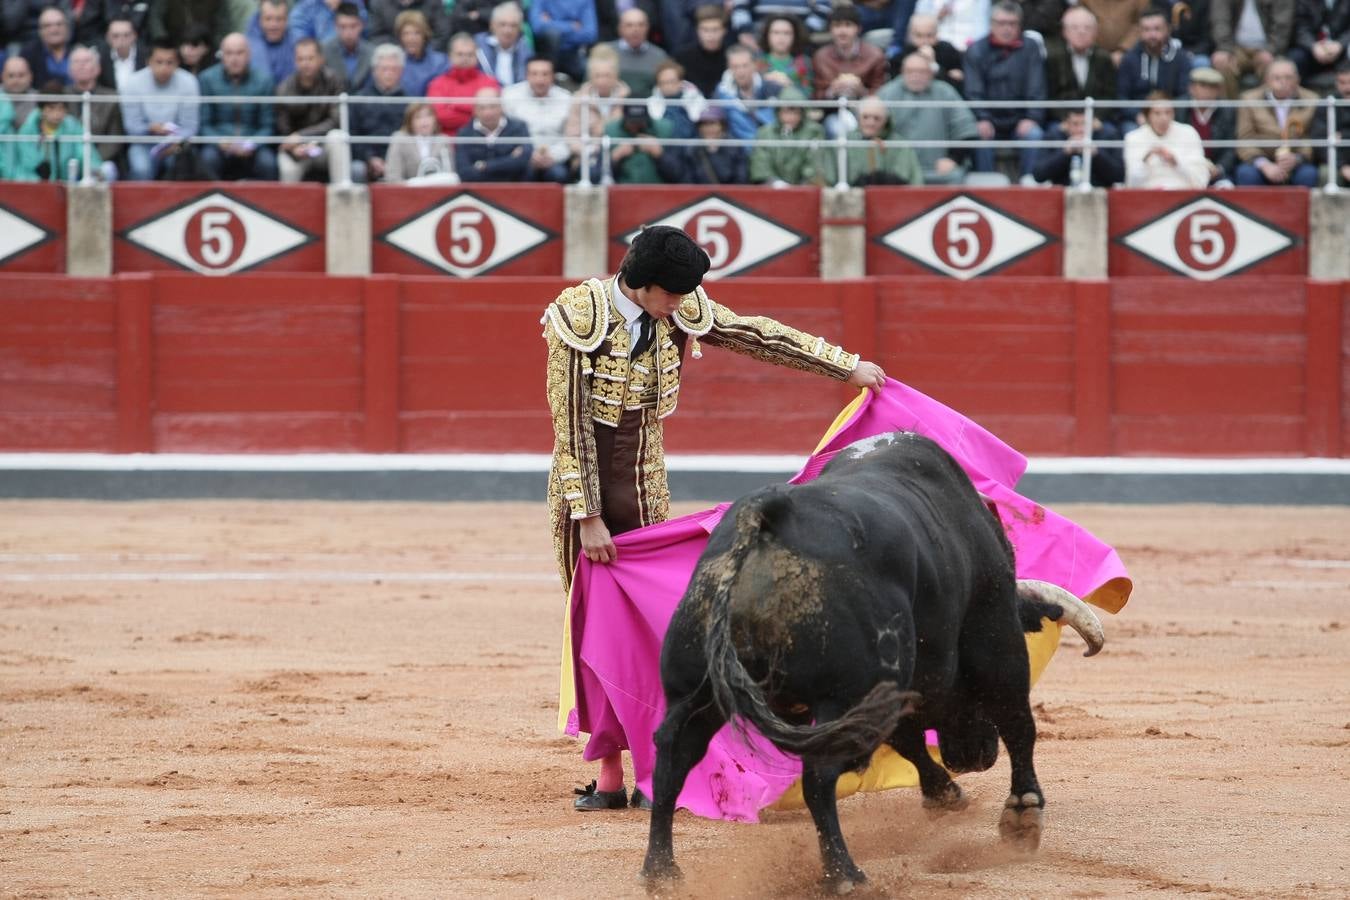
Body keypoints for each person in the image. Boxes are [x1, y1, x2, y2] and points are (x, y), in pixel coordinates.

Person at [543, 225, 886, 811]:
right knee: (594, 624)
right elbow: (569, 425)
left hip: (647, 475)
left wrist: (842, 365)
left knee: (656, 619)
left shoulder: (676, 304)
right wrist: (588, 516)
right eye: (672, 297)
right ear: (642, 286)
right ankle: (608, 777)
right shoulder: (579, 317)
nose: (680, 308)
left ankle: (657, 766)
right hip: (590, 487)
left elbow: (754, 334)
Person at [964, 1, 1046, 179]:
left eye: (1012, 23)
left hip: (1021, 118)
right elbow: (973, 91)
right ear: (991, 24)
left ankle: (1029, 184)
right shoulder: (976, 50)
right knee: (978, 133)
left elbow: (1037, 87)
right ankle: (987, 186)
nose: (1007, 29)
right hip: (988, 118)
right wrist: (982, 118)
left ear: (1020, 25)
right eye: (1001, 23)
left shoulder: (1031, 48)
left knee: (1034, 134)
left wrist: (1032, 117)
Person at [880, 50, 978, 183]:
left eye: (921, 72)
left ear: (932, 73)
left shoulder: (945, 92)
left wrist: (954, 159)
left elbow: (966, 129)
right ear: (902, 72)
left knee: (955, 177)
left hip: (939, 168)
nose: (916, 76)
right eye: (910, 71)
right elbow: (873, 130)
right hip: (896, 167)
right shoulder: (887, 94)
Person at [198, 32, 279, 181]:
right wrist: (220, 141)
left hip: (252, 144)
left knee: (268, 163)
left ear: (249, 54)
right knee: (207, 159)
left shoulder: (264, 80)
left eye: (239, 53)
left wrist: (251, 144)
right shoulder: (207, 79)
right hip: (220, 144)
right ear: (222, 56)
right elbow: (204, 124)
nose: (234, 59)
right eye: (229, 53)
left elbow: (268, 126)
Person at [121, 39, 200, 180]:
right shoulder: (132, 83)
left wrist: (176, 143)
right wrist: (150, 128)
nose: (164, 68)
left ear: (177, 63)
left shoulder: (189, 82)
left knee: (179, 163)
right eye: (159, 62)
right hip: (144, 142)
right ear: (148, 62)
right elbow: (131, 127)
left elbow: (190, 127)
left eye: (170, 63)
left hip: (176, 144)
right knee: (141, 169)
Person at [1234, 57, 1319, 186]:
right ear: (1267, 80)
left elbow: (1314, 137)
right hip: (1260, 159)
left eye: (1289, 77)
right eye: (1277, 78)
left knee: (1308, 174)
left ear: (1298, 79)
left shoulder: (1312, 100)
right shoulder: (1248, 100)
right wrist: (1264, 164)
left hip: (1296, 160)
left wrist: (1297, 158)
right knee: (1246, 174)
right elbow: (1244, 139)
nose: (1283, 82)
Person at [275, 37, 342, 182]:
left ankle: (341, 197)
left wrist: (302, 135)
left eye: (310, 58)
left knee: (338, 137)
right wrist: (294, 149)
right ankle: (288, 204)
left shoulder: (333, 81)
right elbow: (283, 129)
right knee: (287, 169)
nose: (305, 64)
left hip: (323, 146)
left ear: (320, 59)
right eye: (301, 59)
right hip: (296, 149)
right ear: (295, 61)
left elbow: (336, 122)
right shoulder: (284, 88)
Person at [1117, 6, 1192, 133]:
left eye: (1157, 29)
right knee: (1129, 132)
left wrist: (1166, 114)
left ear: (1167, 29)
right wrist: (1138, 115)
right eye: (1146, 30)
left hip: (1172, 118)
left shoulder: (1180, 58)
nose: (1152, 35)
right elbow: (1121, 96)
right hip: (1138, 119)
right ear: (1139, 32)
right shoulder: (1130, 59)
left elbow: (1185, 95)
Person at [822, 94, 925, 186]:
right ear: (858, 118)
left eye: (877, 118)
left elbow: (913, 180)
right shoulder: (843, 141)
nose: (871, 123)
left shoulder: (900, 145)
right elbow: (829, 179)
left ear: (886, 120)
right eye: (865, 117)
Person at [12, 79, 103, 181]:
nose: (57, 113)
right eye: (51, 108)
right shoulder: (28, 130)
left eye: (61, 108)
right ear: (41, 109)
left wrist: (95, 171)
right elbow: (23, 168)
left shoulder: (73, 127)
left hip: (67, 185)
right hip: (35, 188)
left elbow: (85, 153)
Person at [503, 55, 572, 182]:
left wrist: (553, 156)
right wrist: (527, 155)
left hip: (554, 157)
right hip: (522, 156)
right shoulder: (510, 96)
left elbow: (570, 137)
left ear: (553, 76)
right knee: (522, 172)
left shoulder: (566, 99)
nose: (540, 80)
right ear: (526, 75)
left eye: (545, 74)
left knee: (559, 175)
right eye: (534, 74)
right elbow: (506, 132)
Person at [564, 45, 630, 178]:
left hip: (621, 155)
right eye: (598, 76)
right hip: (587, 156)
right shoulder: (579, 99)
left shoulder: (628, 98)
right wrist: (590, 150)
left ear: (616, 76)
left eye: (607, 75)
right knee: (593, 173)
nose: (602, 81)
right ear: (591, 77)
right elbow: (571, 137)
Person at [1044, 6, 1117, 125]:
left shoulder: (1104, 58)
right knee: (1051, 135)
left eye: (1087, 28)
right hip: (1063, 121)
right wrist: (1067, 119)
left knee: (1110, 134)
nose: (1081, 32)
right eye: (1075, 27)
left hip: (1096, 120)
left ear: (1095, 32)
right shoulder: (1053, 58)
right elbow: (1050, 95)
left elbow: (1110, 96)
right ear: (1064, 32)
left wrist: (1095, 118)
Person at [63, 46, 125, 180]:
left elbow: (114, 140)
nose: (81, 66)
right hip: (67, 160)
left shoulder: (111, 98)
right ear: (69, 70)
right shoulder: (61, 97)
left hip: (101, 161)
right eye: (76, 62)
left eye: (86, 61)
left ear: (98, 68)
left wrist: (91, 160)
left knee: (107, 170)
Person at [1210, 0, 1294, 98]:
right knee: (1221, 62)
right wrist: (1224, 48)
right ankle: (1232, 110)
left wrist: (1270, 50)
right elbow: (1220, 22)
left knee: (1275, 68)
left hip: (1267, 48)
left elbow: (1282, 27)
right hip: (1236, 48)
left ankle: (1265, 110)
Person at [1124, 91, 1210, 187]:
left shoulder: (1189, 133)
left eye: (1168, 112)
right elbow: (1131, 184)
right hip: (1148, 197)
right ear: (1147, 116)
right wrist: (1145, 159)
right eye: (1157, 113)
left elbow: (1201, 181)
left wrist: (1176, 163)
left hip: (1182, 195)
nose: (1164, 118)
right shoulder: (1133, 138)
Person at [350, 43, 409, 183]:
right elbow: (353, 135)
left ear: (401, 72)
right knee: (356, 169)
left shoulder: (409, 102)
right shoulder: (359, 100)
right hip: (366, 160)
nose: (388, 74)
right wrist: (370, 159)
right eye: (384, 69)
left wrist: (393, 162)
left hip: (400, 159)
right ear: (374, 71)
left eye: (393, 69)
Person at [748, 84, 825, 186]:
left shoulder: (814, 132)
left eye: (795, 113)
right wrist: (775, 183)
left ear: (802, 114)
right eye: (786, 112)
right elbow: (760, 165)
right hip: (771, 190)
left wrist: (802, 187)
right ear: (778, 112)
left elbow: (814, 165)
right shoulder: (764, 133)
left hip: (804, 191)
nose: (790, 118)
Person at [427, 32, 500, 136]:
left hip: (483, 142)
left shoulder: (489, 82)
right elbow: (440, 116)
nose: (465, 58)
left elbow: (494, 114)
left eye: (470, 54)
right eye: (460, 54)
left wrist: (454, 106)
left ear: (476, 56)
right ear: (450, 56)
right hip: (449, 143)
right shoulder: (437, 84)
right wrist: (476, 112)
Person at [812, 5, 888, 100]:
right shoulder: (821, 56)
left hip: (864, 109)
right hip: (832, 109)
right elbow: (815, 95)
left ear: (858, 28)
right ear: (830, 29)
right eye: (837, 26)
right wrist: (831, 91)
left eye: (848, 25)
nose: (842, 31)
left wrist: (862, 91)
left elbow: (882, 93)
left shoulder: (875, 55)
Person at [1032, 106, 1123, 185]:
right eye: (1075, 124)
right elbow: (1039, 175)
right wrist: (1064, 153)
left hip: (1098, 195)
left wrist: (1097, 154)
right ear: (1066, 125)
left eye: (1084, 123)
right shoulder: (1054, 136)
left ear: (1094, 124)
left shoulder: (1108, 136)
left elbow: (1119, 176)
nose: (1080, 129)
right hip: (1063, 196)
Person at [456, 85, 531, 181]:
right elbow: (464, 173)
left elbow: (523, 161)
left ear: (501, 106)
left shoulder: (519, 128)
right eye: (482, 108)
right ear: (474, 110)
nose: (488, 112)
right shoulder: (465, 133)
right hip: (478, 191)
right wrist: (509, 161)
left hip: (514, 189)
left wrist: (484, 166)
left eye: (492, 106)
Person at [713, 43, 780, 142]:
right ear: (729, 67)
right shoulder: (720, 93)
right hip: (737, 149)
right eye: (735, 66)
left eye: (745, 66)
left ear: (754, 65)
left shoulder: (772, 88)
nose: (741, 71)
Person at [602, 101, 684, 183]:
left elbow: (681, 175)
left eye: (640, 122)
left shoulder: (666, 130)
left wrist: (660, 155)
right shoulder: (610, 132)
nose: (636, 126)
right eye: (632, 122)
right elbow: (595, 176)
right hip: (622, 192)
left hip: (660, 192)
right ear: (624, 119)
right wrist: (614, 158)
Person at [1184, 65, 1237, 184]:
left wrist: (1220, 168)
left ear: (1219, 90)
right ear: (1191, 88)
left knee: (1227, 186)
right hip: (1186, 170)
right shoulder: (1180, 108)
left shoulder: (1228, 111)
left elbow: (1231, 147)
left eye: (1212, 87)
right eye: (1202, 86)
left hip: (1217, 171)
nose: (1207, 92)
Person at [384, 101, 458, 181]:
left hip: (438, 190)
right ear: (410, 121)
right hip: (408, 191)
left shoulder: (443, 140)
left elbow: (450, 174)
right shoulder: (400, 139)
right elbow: (392, 176)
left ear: (435, 119)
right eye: (418, 117)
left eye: (428, 116)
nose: (424, 121)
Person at [890, 12, 963, 91]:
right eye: (919, 35)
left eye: (929, 35)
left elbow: (954, 87)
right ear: (910, 35)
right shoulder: (902, 56)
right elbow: (897, 85)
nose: (925, 41)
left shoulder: (948, 51)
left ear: (937, 34)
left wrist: (933, 65)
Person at [529, 0, 597, 84]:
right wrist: (571, 26)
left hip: (573, 53)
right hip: (545, 54)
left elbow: (590, 34)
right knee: (552, 36)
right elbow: (537, 27)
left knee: (593, 72)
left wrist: (550, 24)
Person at [608, 7, 668, 99]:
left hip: (651, 109)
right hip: (610, 109)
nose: (636, 29)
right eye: (629, 25)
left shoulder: (659, 56)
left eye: (641, 25)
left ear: (648, 28)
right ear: (620, 28)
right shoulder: (606, 52)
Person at [673, 5, 729, 98]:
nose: (710, 36)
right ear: (697, 30)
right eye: (705, 30)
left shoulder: (733, 57)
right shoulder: (681, 58)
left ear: (724, 30)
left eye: (715, 30)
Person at [682, 105, 748, 183]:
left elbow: (741, 178)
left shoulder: (735, 147)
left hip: (729, 193)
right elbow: (687, 179)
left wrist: (714, 153)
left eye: (712, 123)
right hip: (699, 193)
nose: (708, 128)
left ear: (722, 126)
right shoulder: (692, 149)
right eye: (704, 124)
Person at [1290, 0, 1350, 84]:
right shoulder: (1304, 2)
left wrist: (1340, 44)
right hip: (1313, 49)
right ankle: (1299, 93)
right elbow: (1301, 28)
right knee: (1295, 57)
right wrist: (1313, 46)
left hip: (1342, 48)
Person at [474, 1, 531, 88]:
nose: (508, 31)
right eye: (502, 25)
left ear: (520, 28)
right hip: (487, 95)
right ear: (492, 25)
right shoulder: (477, 45)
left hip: (516, 96)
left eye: (513, 25)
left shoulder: (525, 50)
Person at [1077, 0, 1151, 64]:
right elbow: (1080, 21)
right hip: (1093, 55)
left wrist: (1123, 49)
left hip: (1130, 55)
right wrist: (1097, 51)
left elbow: (1142, 22)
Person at [321, 2, 373, 91]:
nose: (348, 32)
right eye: (343, 27)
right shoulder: (325, 51)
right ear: (335, 27)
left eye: (353, 26)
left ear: (361, 25)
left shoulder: (372, 52)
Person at [646, 60, 704, 139]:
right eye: (663, 82)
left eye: (671, 81)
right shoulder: (650, 103)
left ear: (680, 82)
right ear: (658, 85)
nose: (668, 86)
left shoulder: (696, 99)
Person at [395, 9, 448, 94]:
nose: (411, 39)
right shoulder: (394, 62)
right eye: (406, 33)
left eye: (417, 33)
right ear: (400, 37)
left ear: (425, 35)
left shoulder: (440, 62)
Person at [758, 14, 813, 94]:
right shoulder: (757, 61)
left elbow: (808, 94)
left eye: (787, 33)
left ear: (795, 36)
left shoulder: (804, 62)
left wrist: (789, 85)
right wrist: (764, 80)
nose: (781, 37)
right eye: (776, 32)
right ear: (767, 35)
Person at [20, 7, 74, 87]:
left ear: (67, 27)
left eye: (59, 24)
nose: (54, 29)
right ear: (40, 31)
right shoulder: (28, 55)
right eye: (48, 25)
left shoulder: (77, 52)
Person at [248, 0, 299, 84]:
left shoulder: (297, 43)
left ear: (287, 20)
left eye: (279, 19)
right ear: (259, 20)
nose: (273, 25)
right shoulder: (245, 47)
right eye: (268, 19)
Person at [368, 0, 450, 49]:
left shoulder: (433, 2)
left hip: (427, 54)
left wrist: (423, 51)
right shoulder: (379, 3)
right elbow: (376, 36)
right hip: (392, 55)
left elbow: (442, 33)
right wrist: (399, 49)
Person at [913, 0, 991, 50]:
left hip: (966, 47)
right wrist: (938, 16)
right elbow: (919, 21)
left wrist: (973, 48)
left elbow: (982, 26)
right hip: (936, 45)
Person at [97, 16, 145, 91]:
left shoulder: (146, 57)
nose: (121, 40)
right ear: (107, 37)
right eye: (116, 36)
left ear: (135, 36)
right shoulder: (100, 58)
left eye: (126, 35)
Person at [289, 0, 367, 45]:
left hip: (351, 54)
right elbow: (301, 42)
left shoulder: (355, 2)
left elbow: (364, 28)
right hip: (320, 62)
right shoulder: (304, 8)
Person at [2, 56, 38, 128]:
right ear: (2, 76)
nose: (16, 80)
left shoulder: (39, 99)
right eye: (11, 76)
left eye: (21, 75)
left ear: (30, 76)